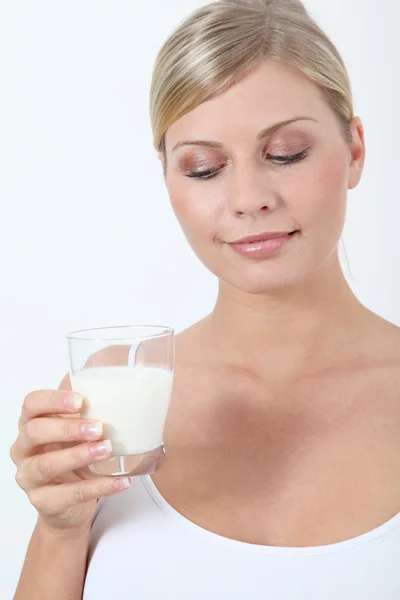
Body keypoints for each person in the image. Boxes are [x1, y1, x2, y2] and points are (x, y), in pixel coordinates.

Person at [10, 0, 400, 598]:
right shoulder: (105, 400)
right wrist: (60, 527)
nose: (248, 198)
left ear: (354, 149)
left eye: (286, 153)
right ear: (166, 176)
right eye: (203, 168)